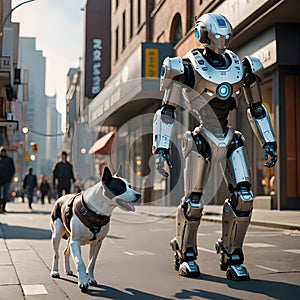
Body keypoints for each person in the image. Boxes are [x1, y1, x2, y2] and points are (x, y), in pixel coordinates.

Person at [152, 13, 277, 280]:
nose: (221, 41)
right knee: (194, 202)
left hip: (230, 136)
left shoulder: (241, 66)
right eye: (216, 36)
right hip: (202, 137)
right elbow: (167, 111)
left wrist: (269, 140)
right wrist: (161, 148)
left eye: (225, 36)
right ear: (204, 35)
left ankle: (232, 254)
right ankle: (185, 252)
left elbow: (256, 108)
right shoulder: (184, 66)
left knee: (244, 197)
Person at [0, 146, 15, 212]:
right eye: (2, 152)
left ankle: (3, 207)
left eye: (4, 152)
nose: (3, 153)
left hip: (6, 181)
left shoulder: (9, 160)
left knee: (5, 195)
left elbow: (12, 170)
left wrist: (9, 178)